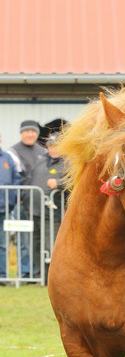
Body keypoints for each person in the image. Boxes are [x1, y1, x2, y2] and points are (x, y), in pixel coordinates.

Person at [8, 120, 47, 280]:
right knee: (23, 239)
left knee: (40, 239)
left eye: (33, 131)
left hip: (39, 204)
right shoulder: (13, 152)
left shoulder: (43, 152)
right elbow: (14, 177)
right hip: (21, 203)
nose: (30, 134)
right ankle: (25, 272)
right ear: (21, 133)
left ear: (37, 134)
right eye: (27, 131)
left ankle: (39, 271)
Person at [30, 133, 65, 283]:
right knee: (35, 244)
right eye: (51, 145)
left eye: (56, 145)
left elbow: (74, 182)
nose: (53, 148)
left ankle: (52, 278)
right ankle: (40, 275)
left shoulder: (68, 162)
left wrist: (59, 184)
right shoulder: (40, 159)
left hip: (54, 212)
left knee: (51, 245)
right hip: (35, 210)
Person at [0, 137, 20, 284]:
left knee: (2, 244)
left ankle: (2, 276)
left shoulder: (8, 158)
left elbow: (16, 179)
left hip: (4, 208)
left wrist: (11, 198)